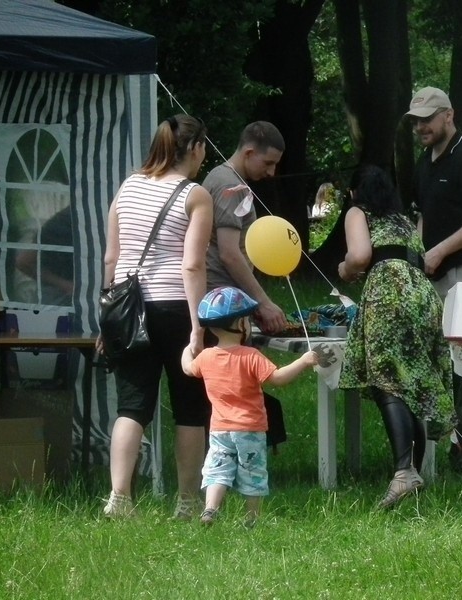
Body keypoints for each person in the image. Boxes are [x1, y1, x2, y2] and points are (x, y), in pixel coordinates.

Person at [101, 114, 213, 519]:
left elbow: (112, 257)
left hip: (128, 306)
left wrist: (108, 313)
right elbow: (192, 266)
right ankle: (186, 501)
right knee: (189, 407)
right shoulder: (195, 195)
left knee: (132, 406)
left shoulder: (128, 186)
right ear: (196, 147)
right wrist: (198, 328)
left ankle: (119, 498)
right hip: (175, 308)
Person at [337, 164, 455, 509]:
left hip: (389, 295)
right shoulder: (404, 220)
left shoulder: (358, 211)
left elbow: (360, 256)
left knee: (388, 379)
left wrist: (345, 269)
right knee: (411, 380)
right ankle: (412, 473)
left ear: (355, 192)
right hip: (422, 295)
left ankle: (403, 472)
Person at [406, 86, 462, 476]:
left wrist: (441, 250)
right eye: (415, 121)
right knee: (445, 371)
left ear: (449, 115)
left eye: (428, 118)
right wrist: (417, 253)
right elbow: (422, 215)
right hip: (432, 277)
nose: (421, 127)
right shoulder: (424, 161)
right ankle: (451, 455)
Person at [181, 286, 318, 527]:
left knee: (217, 470)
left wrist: (186, 351)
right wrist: (303, 361)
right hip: (250, 429)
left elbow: (187, 368)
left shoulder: (206, 358)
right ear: (239, 324)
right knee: (253, 473)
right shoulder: (250, 355)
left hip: (219, 429)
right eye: (246, 319)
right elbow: (278, 378)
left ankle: (210, 509)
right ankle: (252, 518)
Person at [202, 121, 288, 334]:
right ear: (249, 152)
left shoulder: (220, 176)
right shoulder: (230, 185)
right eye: (268, 163)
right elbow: (229, 253)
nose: (271, 172)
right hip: (223, 303)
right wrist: (263, 303)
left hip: (221, 298)